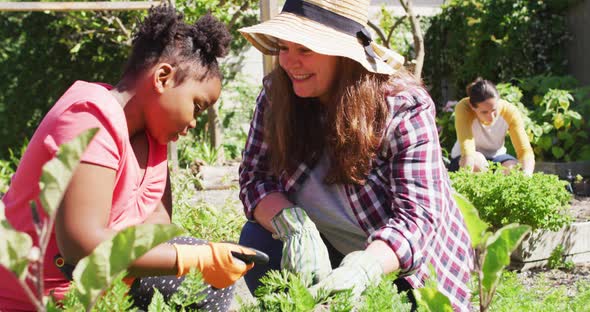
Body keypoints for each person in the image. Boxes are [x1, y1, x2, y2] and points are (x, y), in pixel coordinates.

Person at [0, 6, 256, 311]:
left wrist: (204, 259)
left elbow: (158, 236)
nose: (193, 124)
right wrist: (195, 259)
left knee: (202, 282)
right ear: (163, 77)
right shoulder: (91, 115)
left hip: (97, 293)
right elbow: (80, 246)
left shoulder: (153, 139)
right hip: (36, 298)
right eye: (197, 107)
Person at [236, 0, 473, 311]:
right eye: (283, 47)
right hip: (323, 248)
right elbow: (256, 178)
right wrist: (293, 225)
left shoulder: (402, 107)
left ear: (345, 55)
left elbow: (417, 220)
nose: (289, 62)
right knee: (258, 238)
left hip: (397, 266)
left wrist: (364, 268)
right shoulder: (276, 97)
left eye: (305, 50)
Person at [449, 78, 535, 175]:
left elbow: (524, 150)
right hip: (466, 158)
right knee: (478, 164)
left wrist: (526, 175)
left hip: (497, 157)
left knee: (513, 169)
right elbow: (468, 150)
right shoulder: (464, 107)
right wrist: (463, 180)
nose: (491, 117)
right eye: (484, 112)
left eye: (494, 110)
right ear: (473, 107)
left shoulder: (510, 111)